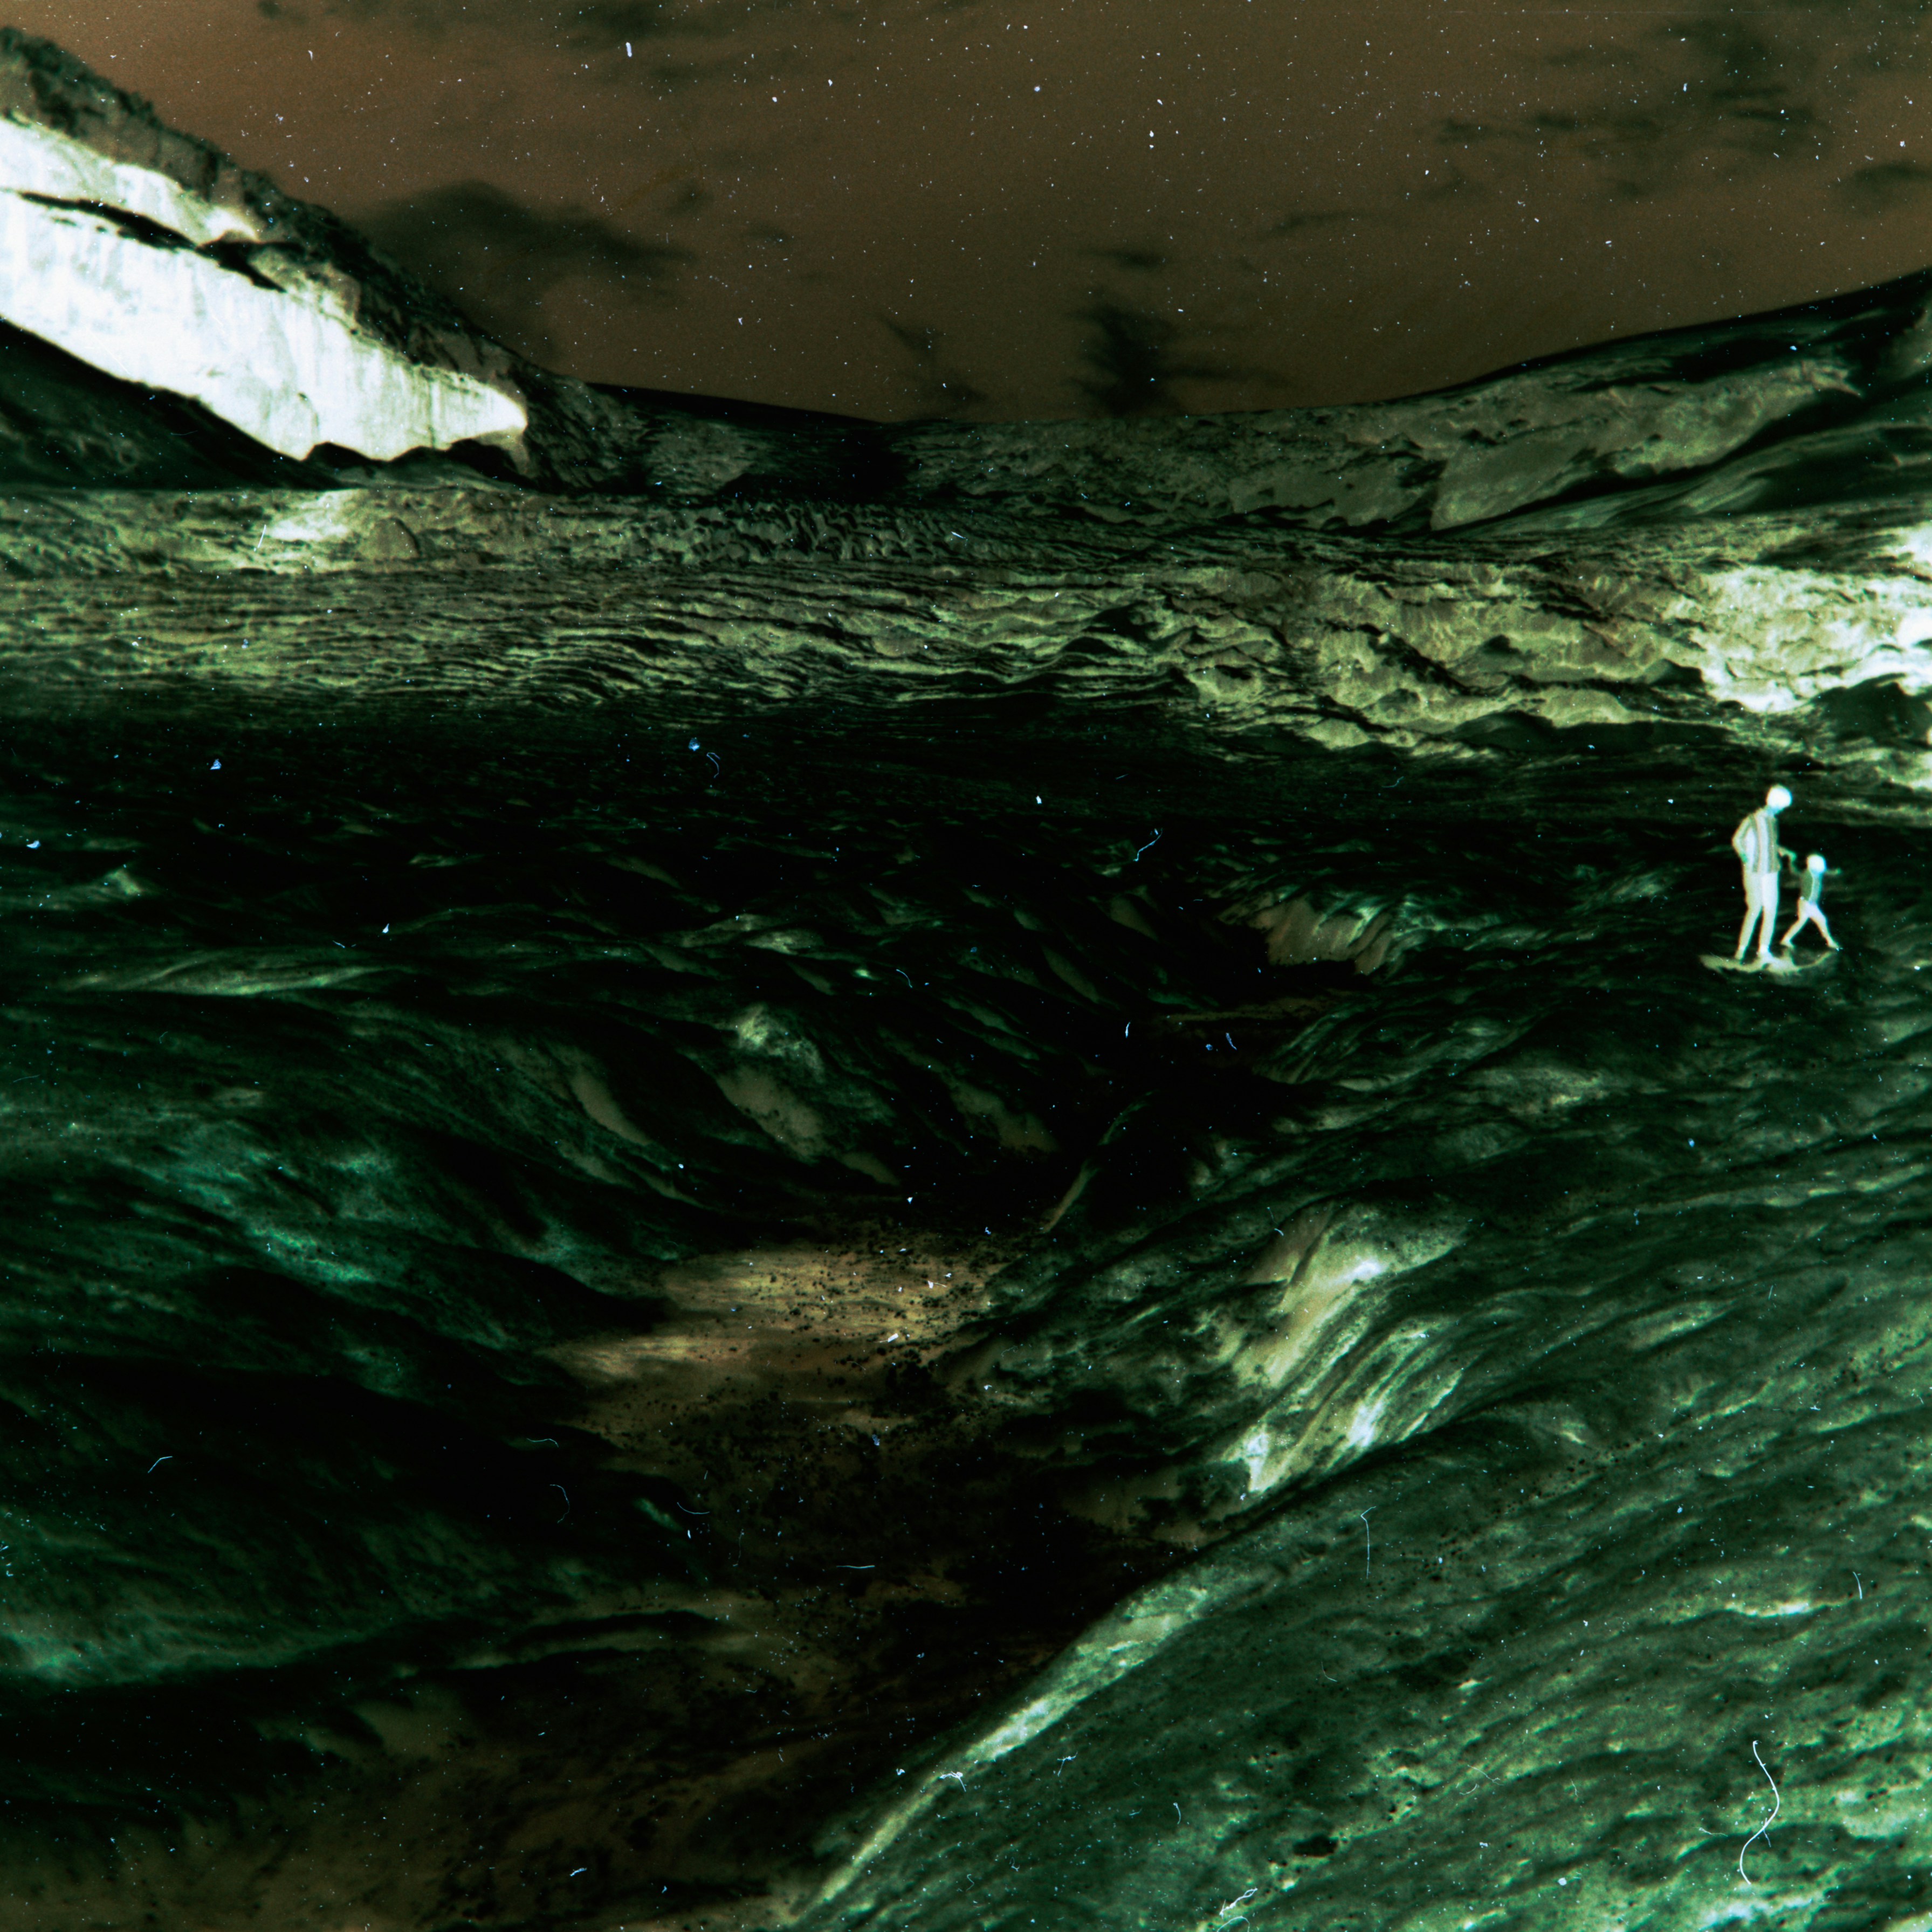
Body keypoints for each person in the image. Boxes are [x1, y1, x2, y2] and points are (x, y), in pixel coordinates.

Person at [1732, 785, 1796, 965]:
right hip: (1754, 870)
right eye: (1782, 806)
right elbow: (1737, 840)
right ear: (1775, 802)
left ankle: (1763, 950)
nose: (1783, 809)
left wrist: (1783, 851)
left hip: (1771, 870)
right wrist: (1745, 858)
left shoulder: (1773, 821)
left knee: (1771, 910)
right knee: (1755, 909)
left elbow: (1771, 844)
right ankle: (1741, 950)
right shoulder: (1752, 820)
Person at [1779, 852, 1840, 954]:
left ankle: (1786, 939)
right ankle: (1830, 942)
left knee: (1802, 922)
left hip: (1805, 903)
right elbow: (1795, 872)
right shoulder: (1808, 874)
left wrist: (1834, 872)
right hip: (1808, 903)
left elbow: (1826, 872)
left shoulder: (1816, 873)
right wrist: (1791, 861)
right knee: (1821, 920)